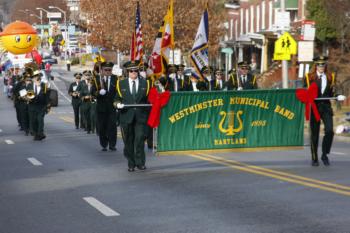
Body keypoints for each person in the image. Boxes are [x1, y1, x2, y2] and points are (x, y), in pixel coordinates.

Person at [114, 60, 151, 172]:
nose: (134, 72)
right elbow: (116, 99)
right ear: (127, 71)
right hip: (126, 116)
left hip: (141, 116)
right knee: (128, 141)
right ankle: (131, 163)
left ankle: (140, 162)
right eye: (131, 71)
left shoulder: (146, 83)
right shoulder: (121, 84)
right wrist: (117, 104)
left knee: (139, 139)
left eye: (136, 70)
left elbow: (150, 98)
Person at [304, 56, 336, 166]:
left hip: (326, 107)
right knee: (314, 133)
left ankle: (324, 154)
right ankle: (314, 157)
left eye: (323, 65)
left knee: (329, 131)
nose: (321, 67)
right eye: (319, 65)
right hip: (314, 107)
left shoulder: (330, 77)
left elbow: (332, 92)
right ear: (316, 66)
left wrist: (338, 96)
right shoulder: (309, 77)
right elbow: (304, 92)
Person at [91, 61, 118, 151]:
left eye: (109, 70)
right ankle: (104, 144)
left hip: (112, 108)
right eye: (105, 70)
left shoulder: (116, 79)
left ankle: (112, 144)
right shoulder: (97, 79)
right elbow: (92, 92)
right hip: (101, 108)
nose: (107, 72)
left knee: (112, 127)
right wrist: (99, 92)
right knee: (102, 127)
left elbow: (119, 92)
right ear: (102, 70)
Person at [27, 70, 50, 141]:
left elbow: (47, 97)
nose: (38, 79)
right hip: (32, 106)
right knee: (34, 121)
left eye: (39, 77)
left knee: (40, 120)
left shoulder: (44, 86)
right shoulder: (30, 85)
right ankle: (36, 134)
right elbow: (29, 96)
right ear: (33, 79)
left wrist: (48, 106)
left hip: (41, 106)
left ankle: (41, 133)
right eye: (36, 78)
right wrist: (29, 98)